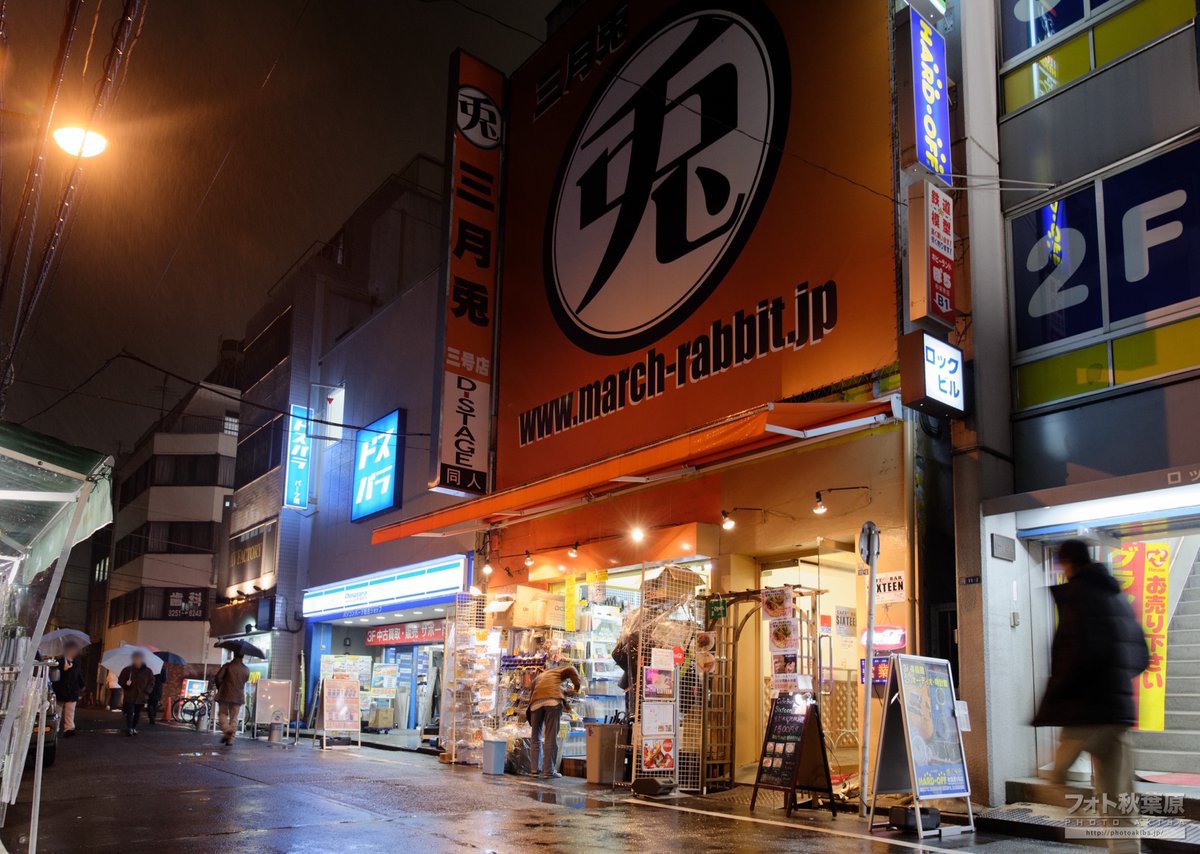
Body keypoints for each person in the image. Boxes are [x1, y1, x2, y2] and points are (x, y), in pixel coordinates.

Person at [1033, 539, 1150, 854]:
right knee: (1118, 797)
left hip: (1087, 712)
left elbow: (1074, 655)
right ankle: (1124, 847)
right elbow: (1142, 657)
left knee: (1056, 775)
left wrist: (1054, 700)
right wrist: (1116, 678)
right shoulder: (1118, 596)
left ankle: (1083, 823)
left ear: (1065, 563)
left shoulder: (1078, 596)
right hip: (1119, 714)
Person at [527, 658, 582, 779]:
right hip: (552, 703)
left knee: (535, 737)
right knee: (550, 737)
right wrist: (577, 687)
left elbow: (534, 687)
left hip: (535, 704)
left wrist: (565, 691)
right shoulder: (560, 670)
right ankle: (548, 771)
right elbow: (571, 669)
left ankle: (534, 769)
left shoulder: (541, 676)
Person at [213, 652, 250, 746]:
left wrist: (220, 687)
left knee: (222, 713)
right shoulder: (246, 669)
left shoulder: (227, 666)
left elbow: (218, 677)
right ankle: (230, 740)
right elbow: (245, 680)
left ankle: (227, 730)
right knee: (234, 718)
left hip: (225, 693)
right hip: (238, 696)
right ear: (243, 656)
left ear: (234, 655)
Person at [50, 642, 84, 737]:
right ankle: (55, 729)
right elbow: (54, 675)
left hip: (72, 691)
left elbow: (78, 676)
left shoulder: (76, 663)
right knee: (57, 711)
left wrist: (82, 686)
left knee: (70, 711)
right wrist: (63, 669)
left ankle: (69, 728)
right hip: (60, 690)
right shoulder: (59, 662)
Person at [118, 653, 156, 736]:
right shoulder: (128, 670)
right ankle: (129, 728)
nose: (137, 661)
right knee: (130, 712)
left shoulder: (148, 671)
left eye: (139, 659)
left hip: (142, 696)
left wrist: (147, 691)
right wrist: (126, 684)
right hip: (130, 695)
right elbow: (120, 680)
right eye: (136, 659)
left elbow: (152, 682)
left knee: (137, 713)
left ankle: (133, 727)